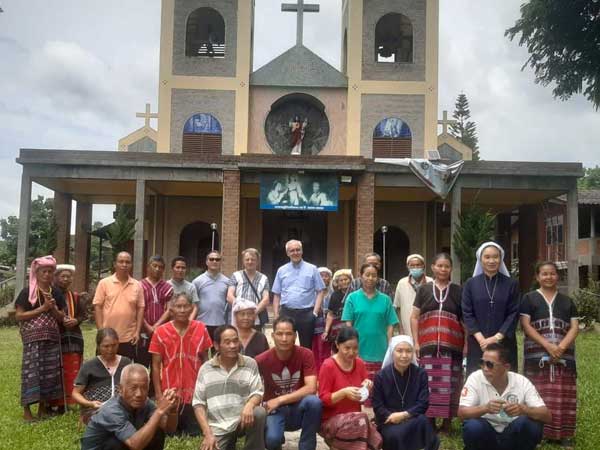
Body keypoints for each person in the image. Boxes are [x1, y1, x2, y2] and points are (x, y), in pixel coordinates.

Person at [520, 261, 579, 447]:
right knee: (537, 394)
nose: (548, 277)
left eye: (552, 273)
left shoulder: (567, 301)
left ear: (557, 276)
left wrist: (560, 348)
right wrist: (548, 346)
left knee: (564, 394)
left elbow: (575, 327)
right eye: (544, 274)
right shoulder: (529, 299)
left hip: (564, 357)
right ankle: (538, 433)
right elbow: (526, 326)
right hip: (537, 357)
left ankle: (564, 434)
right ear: (537, 277)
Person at [458, 343, 551, 450]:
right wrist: (485, 408)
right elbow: (461, 413)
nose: (484, 368)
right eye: (482, 363)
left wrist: (524, 410)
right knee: (473, 426)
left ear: (506, 367)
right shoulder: (475, 378)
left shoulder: (522, 382)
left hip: (512, 434)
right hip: (486, 434)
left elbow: (547, 416)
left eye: (490, 364)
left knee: (530, 424)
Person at [410, 253, 464, 433]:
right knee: (429, 384)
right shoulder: (424, 289)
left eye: (446, 266)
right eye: (439, 266)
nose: (443, 269)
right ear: (432, 267)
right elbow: (414, 317)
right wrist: (416, 343)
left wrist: (466, 346)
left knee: (450, 383)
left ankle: (447, 422)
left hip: (452, 346)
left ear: (451, 269)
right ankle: (430, 421)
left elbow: (464, 321)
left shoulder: (458, 290)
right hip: (428, 346)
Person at [192, 325, 266, 450]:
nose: (233, 345)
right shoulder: (206, 369)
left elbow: (258, 391)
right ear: (216, 346)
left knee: (259, 412)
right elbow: (198, 404)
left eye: (235, 341)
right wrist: (208, 433)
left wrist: (249, 405)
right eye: (227, 342)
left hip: (242, 420)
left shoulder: (250, 363)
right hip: (218, 426)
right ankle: (228, 444)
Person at [149, 292, 213, 436]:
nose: (182, 310)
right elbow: (155, 366)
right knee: (169, 432)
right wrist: (159, 395)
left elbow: (206, 360)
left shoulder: (201, 328)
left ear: (191, 308)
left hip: (194, 392)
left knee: (194, 432)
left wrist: (206, 389)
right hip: (169, 392)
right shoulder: (160, 332)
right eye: (178, 306)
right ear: (171, 309)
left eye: (185, 306)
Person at [256, 317, 323, 450]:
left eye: (288, 334)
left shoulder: (306, 354)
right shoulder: (261, 360)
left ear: (295, 336)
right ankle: (276, 437)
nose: (284, 338)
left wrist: (280, 399)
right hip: (274, 410)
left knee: (314, 402)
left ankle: (307, 447)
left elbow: (311, 388)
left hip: (299, 407)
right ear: (273, 335)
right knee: (272, 440)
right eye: (280, 334)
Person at [15, 255, 66, 422]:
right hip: (32, 341)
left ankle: (43, 409)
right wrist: (42, 308)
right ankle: (27, 412)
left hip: (51, 339)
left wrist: (52, 309)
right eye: (44, 271)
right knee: (31, 374)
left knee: (48, 373)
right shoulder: (27, 292)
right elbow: (19, 316)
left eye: (51, 271)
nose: (47, 274)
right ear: (37, 273)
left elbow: (61, 317)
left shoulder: (56, 293)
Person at [81, 364, 179, 450]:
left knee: (157, 432)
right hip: (104, 447)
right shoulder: (112, 410)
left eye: (144, 388)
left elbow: (169, 428)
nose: (139, 394)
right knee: (117, 442)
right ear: (120, 389)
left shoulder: (145, 402)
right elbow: (135, 445)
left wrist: (173, 410)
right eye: (133, 388)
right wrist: (160, 410)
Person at [318, 327, 382, 450]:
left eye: (355, 348)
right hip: (331, 420)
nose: (351, 352)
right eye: (347, 348)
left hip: (355, 419)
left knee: (376, 439)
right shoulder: (328, 365)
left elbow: (362, 398)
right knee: (362, 420)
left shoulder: (359, 363)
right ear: (337, 345)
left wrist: (367, 388)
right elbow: (323, 399)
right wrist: (343, 393)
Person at [372, 335, 439, 450]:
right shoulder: (381, 376)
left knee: (424, 422)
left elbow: (423, 403)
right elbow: (378, 406)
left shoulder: (420, 374)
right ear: (392, 352)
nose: (404, 355)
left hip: (413, 417)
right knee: (396, 435)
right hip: (389, 421)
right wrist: (391, 417)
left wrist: (404, 415)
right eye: (399, 351)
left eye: (408, 351)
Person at [462, 242, 520, 375]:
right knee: (477, 379)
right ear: (480, 259)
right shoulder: (470, 284)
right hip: (478, 344)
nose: (491, 261)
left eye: (495, 257)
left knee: (505, 379)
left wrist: (497, 337)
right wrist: (481, 339)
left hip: (504, 342)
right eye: (487, 257)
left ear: (501, 259)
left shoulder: (511, 284)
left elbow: (513, 313)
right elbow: (467, 312)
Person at [342, 263, 398, 390]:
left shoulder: (385, 300)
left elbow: (390, 324)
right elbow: (348, 324)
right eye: (367, 275)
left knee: (379, 388)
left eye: (374, 275)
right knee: (360, 388)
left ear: (378, 278)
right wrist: (351, 344)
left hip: (380, 349)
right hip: (359, 348)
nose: (370, 278)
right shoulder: (352, 297)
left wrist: (390, 344)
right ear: (360, 276)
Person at [272, 239, 326, 348]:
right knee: (285, 343)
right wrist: (276, 314)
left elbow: (320, 291)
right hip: (287, 312)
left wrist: (314, 312)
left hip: (307, 314)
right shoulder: (281, 270)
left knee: (306, 346)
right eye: (292, 250)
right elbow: (276, 294)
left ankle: (304, 365)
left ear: (302, 251)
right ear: (287, 253)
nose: (295, 253)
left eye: (298, 250)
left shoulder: (312, 269)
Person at [72, 328, 132, 424]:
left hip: (121, 408)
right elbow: (75, 393)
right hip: (95, 410)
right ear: (98, 346)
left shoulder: (126, 363)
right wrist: (90, 404)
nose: (110, 349)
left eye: (114, 345)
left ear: (118, 344)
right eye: (106, 346)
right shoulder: (89, 366)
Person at [93, 252, 145, 361]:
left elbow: (140, 308)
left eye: (127, 262)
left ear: (131, 265)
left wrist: (137, 332)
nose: (124, 264)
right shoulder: (104, 283)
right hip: (107, 338)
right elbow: (97, 306)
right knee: (104, 371)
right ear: (114, 264)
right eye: (121, 261)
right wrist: (101, 331)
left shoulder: (137, 285)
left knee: (124, 371)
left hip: (128, 338)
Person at [53, 263, 87, 408]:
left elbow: (82, 315)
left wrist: (76, 320)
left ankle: (72, 400)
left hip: (73, 338)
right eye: (63, 276)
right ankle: (55, 402)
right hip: (57, 337)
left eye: (68, 276)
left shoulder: (76, 297)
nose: (66, 279)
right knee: (56, 370)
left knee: (72, 368)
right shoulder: (51, 295)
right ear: (56, 278)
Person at [139, 256, 174, 368]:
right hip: (142, 331)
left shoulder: (168, 287)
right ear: (148, 267)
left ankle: (154, 386)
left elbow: (169, 309)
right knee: (142, 364)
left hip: (161, 332)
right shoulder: (139, 286)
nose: (157, 269)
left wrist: (156, 326)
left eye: (160, 267)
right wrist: (148, 327)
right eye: (155, 266)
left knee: (157, 365)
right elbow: (137, 309)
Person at [192, 250, 232, 340]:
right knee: (202, 352)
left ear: (220, 262)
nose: (214, 261)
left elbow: (229, 305)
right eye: (211, 259)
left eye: (217, 260)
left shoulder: (227, 281)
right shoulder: (197, 281)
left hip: (220, 323)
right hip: (202, 323)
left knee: (218, 351)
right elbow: (193, 304)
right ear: (207, 262)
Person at [227, 248, 270, 330]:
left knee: (256, 340)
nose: (250, 262)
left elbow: (266, 299)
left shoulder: (264, 278)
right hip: (239, 319)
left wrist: (252, 313)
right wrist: (242, 311)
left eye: (253, 259)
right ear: (243, 261)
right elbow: (229, 296)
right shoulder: (236, 276)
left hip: (256, 319)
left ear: (257, 261)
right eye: (247, 259)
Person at [395, 254, 432, 334]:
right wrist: (401, 329)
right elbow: (398, 307)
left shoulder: (431, 282)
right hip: (407, 329)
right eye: (412, 265)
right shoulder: (402, 283)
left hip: (428, 329)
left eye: (418, 265)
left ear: (423, 266)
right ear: (408, 267)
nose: (415, 268)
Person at [322, 269, 353, 347]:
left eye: (345, 279)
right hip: (337, 329)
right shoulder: (334, 295)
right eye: (341, 280)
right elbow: (330, 314)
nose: (343, 282)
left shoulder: (355, 294)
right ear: (337, 283)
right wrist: (326, 331)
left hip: (353, 326)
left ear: (350, 280)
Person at [312, 267, 333, 371]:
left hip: (329, 326)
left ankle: (325, 371)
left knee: (326, 350)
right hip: (314, 325)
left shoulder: (332, 293)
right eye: (321, 275)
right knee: (315, 349)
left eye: (326, 276)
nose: (324, 278)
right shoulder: (312, 292)